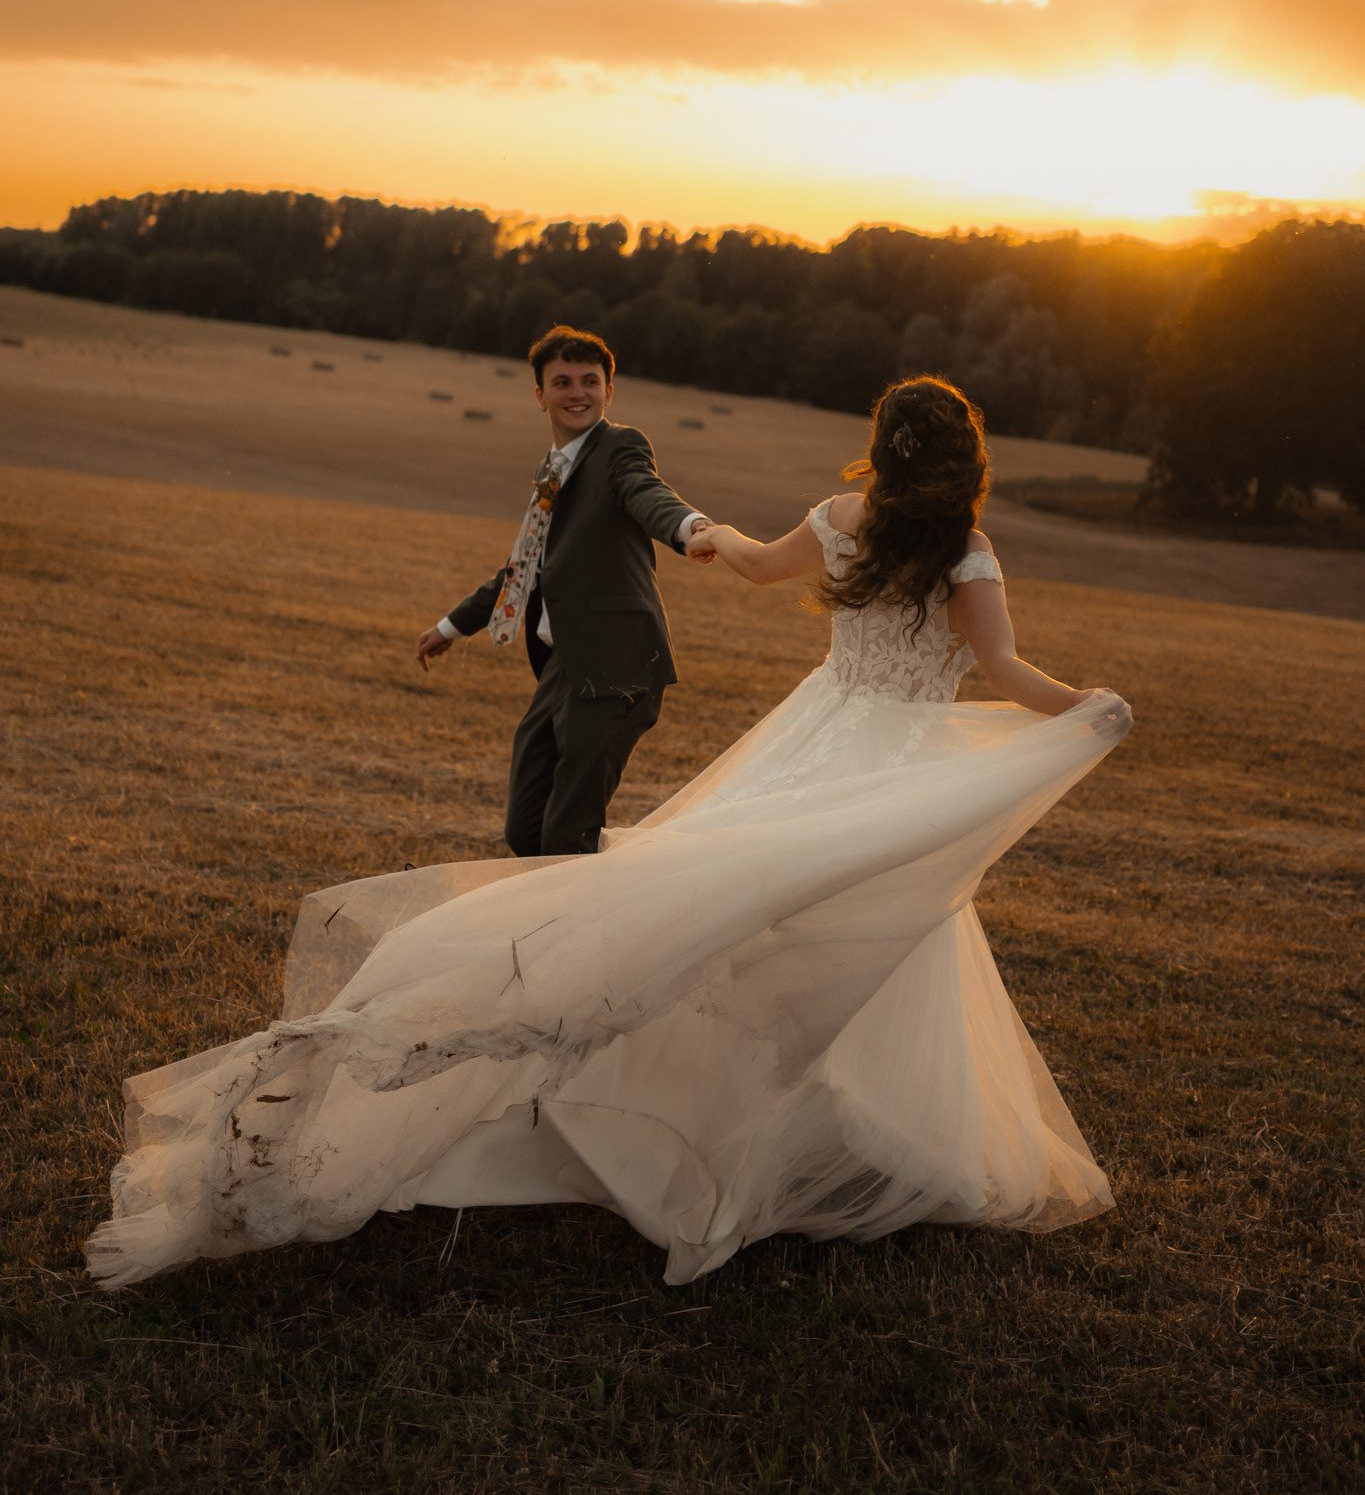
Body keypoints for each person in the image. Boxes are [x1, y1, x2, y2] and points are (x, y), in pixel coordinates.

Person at [87, 375, 1132, 1291]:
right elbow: (1001, 669)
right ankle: (813, 1132)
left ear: (883, 440)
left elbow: (759, 566)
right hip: (892, 766)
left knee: (734, 919)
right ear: (968, 455)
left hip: (814, 739)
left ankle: (791, 1120)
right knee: (876, 929)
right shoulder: (968, 549)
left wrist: (704, 531)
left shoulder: (841, 514)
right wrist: (1084, 703)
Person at [414, 325, 713, 857]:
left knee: (566, 836)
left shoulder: (620, 447)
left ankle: (568, 936)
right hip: (564, 664)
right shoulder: (551, 470)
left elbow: (647, 493)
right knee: (525, 830)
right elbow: (527, 567)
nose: (577, 392)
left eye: (590, 381)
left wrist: (689, 528)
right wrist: (452, 626)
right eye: (562, 382)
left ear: (609, 391)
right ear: (540, 396)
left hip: (615, 666)